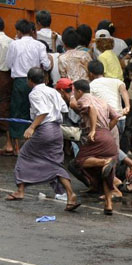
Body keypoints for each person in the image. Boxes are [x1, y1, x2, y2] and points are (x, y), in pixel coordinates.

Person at [5, 67, 81, 212]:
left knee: (24, 154)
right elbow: (64, 109)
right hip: (56, 130)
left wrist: (32, 127)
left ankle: (20, 190)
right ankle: (70, 194)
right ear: (45, 79)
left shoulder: (35, 93)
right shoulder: (52, 91)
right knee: (55, 162)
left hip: (44, 129)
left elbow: (43, 112)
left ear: (29, 80)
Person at [71, 79, 119, 215]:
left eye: (75, 91)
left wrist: (92, 129)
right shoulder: (102, 101)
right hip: (107, 136)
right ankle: (108, 204)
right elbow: (116, 117)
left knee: (78, 161)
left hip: (96, 135)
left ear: (79, 91)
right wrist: (106, 130)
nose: (74, 93)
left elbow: (91, 109)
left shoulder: (83, 100)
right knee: (104, 172)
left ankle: (104, 162)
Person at [5, 19, 52, 155]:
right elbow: (47, 65)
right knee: (36, 112)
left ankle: (18, 148)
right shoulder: (39, 45)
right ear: (32, 31)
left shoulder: (14, 44)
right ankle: (32, 146)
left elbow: (8, 64)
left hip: (20, 81)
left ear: (18, 31)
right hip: (37, 81)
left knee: (17, 112)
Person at [88, 60, 130, 134]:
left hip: (107, 120)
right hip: (121, 117)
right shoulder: (115, 81)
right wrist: (127, 106)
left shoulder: (91, 85)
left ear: (90, 74)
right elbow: (123, 90)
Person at [0, 18, 14, 155]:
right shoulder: (11, 42)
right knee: (5, 108)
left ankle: (9, 144)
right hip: (6, 76)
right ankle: (9, 142)